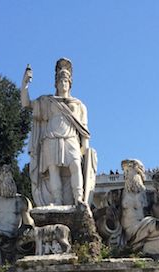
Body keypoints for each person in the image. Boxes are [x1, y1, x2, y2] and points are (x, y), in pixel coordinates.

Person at [22, 58, 96, 207]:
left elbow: (84, 131)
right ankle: (57, 200)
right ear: (56, 84)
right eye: (60, 81)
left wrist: (85, 149)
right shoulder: (48, 101)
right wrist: (25, 84)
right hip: (51, 138)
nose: (63, 84)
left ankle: (78, 198)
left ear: (70, 84)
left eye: (66, 81)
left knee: (75, 166)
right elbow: (26, 104)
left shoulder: (79, 105)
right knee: (53, 170)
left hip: (71, 138)